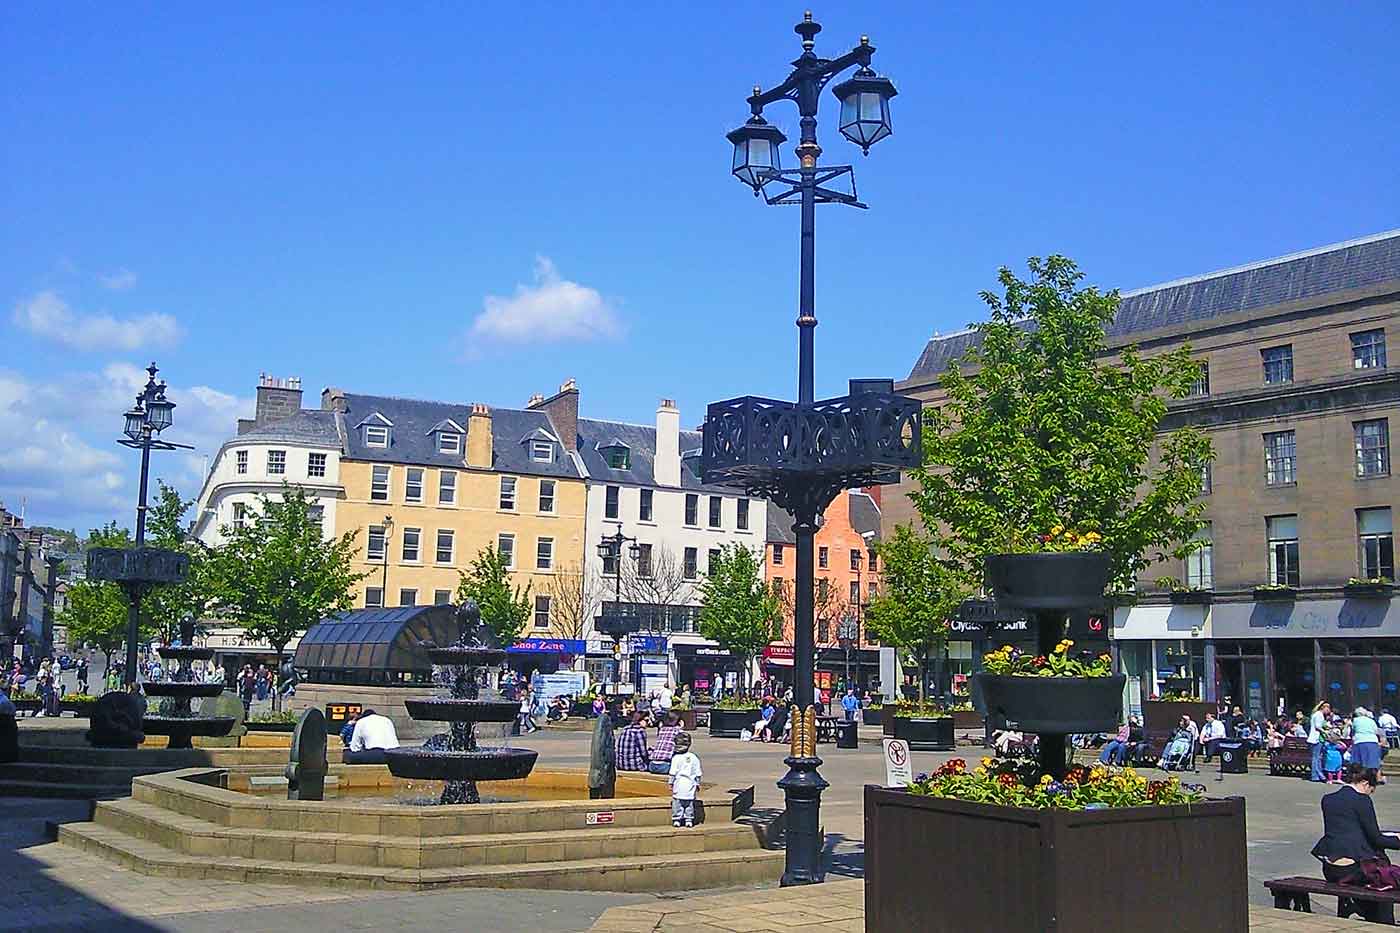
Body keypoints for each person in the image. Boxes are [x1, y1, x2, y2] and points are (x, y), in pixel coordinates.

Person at [1311, 764, 1400, 922]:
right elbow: (1376, 839)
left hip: (1331, 868)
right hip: (1352, 870)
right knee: (1386, 876)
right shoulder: (1362, 800)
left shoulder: (1328, 799)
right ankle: (1385, 922)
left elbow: (1348, 830)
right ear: (1365, 783)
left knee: (1377, 873)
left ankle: (1368, 913)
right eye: (1372, 789)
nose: (1371, 793)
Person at [668, 732, 702, 828]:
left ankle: (677, 819)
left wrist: (670, 783)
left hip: (679, 784)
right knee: (689, 804)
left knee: (677, 803)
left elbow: (672, 773)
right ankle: (688, 819)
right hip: (690, 784)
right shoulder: (694, 757)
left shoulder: (676, 758)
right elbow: (698, 773)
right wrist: (698, 783)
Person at [1352, 707, 1385, 781]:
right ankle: (1375, 778)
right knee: (1373, 762)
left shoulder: (1355, 720)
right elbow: (1377, 731)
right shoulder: (1371, 720)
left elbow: (1353, 731)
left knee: (1359, 762)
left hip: (1360, 741)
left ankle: (1361, 778)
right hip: (1372, 741)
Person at [1309, 701, 1332, 783]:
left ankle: (1316, 775)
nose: (1328, 710)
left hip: (1316, 738)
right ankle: (1317, 775)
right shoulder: (1319, 715)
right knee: (1316, 758)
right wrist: (1325, 732)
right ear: (1323, 708)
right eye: (1328, 708)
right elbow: (1318, 726)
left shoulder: (1317, 715)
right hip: (1316, 739)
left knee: (1317, 757)